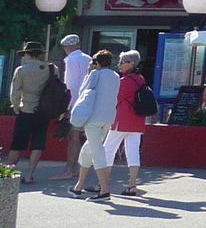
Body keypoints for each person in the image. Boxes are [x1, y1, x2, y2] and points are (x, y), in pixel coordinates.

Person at [70, 51, 121, 200]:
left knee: (97, 152)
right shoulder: (116, 76)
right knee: (88, 150)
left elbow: (83, 93)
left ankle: (104, 189)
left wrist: (88, 73)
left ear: (97, 63)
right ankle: (78, 186)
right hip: (108, 117)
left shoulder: (95, 75)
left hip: (93, 118)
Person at [104, 50, 148, 197]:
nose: (120, 65)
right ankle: (132, 185)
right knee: (133, 152)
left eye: (123, 62)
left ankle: (102, 184)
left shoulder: (125, 81)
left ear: (132, 64)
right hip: (137, 120)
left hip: (122, 120)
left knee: (108, 150)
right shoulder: (140, 79)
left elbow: (114, 98)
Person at [7, 41, 51, 183]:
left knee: (18, 143)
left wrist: (16, 106)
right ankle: (29, 174)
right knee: (38, 143)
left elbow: (15, 92)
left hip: (26, 109)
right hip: (43, 110)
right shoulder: (50, 68)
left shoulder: (21, 70)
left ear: (27, 54)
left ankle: (9, 172)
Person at [52, 34, 91, 181]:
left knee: (73, 137)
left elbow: (71, 86)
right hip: (87, 103)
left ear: (67, 47)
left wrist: (68, 107)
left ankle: (69, 170)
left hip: (75, 103)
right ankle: (76, 168)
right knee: (80, 136)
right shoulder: (87, 58)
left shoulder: (71, 60)